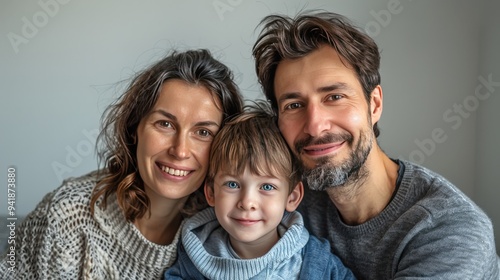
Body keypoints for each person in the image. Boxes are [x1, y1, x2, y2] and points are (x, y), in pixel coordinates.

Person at [252, 11, 500, 279]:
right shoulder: (282, 197)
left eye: (334, 97)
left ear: (374, 104)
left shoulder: (448, 230)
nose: (315, 126)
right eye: (294, 105)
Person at [0, 49, 244, 279]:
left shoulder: (222, 228)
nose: (180, 151)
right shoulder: (68, 219)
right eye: (165, 124)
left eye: (203, 132)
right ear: (135, 128)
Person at [164, 101, 356, 279]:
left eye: (266, 187)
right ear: (211, 193)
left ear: (292, 197)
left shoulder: (316, 263)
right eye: (232, 184)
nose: (247, 202)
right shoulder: (192, 259)